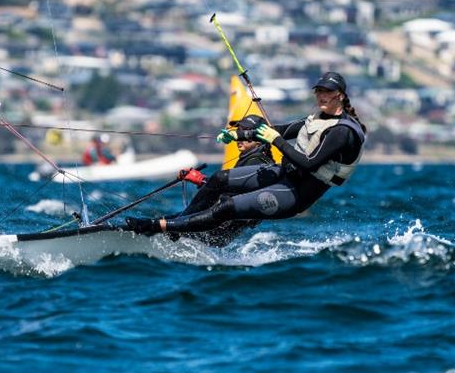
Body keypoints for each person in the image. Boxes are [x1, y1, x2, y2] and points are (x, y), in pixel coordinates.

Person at [125, 72, 367, 237]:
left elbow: (308, 163)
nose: (322, 96)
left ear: (341, 95)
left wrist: (277, 141)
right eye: (319, 91)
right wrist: (239, 136)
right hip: (283, 174)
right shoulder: (317, 118)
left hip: (297, 193)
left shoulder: (342, 133)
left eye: (328, 92)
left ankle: (162, 227)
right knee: (220, 179)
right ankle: (179, 226)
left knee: (226, 207)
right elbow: (278, 130)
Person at [163, 114, 275, 246]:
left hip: (217, 229)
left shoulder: (257, 162)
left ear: (259, 138)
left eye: (245, 132)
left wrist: (202, 180)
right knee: (165, 221)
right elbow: (233, 187)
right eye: (239, 131)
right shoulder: (254, 159)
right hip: (220, 230)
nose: (240, 136)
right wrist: (201, 180)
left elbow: (236, 193)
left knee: (160, 225)